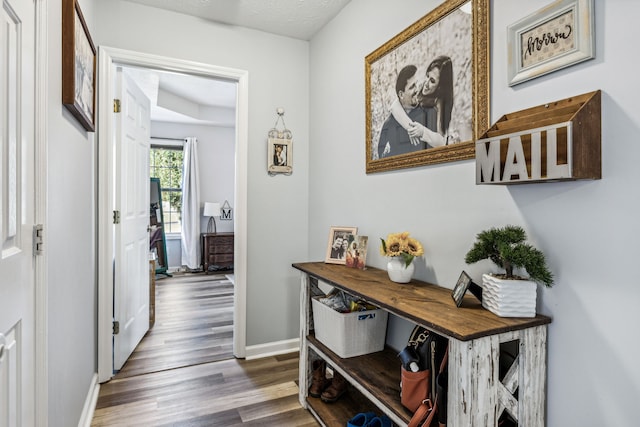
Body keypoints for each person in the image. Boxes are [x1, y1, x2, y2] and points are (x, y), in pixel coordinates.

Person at [391, 56, 455, 149]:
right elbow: (394, 106)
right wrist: (410, 128)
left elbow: (442, 141)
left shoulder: (440, 102)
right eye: (427, 76)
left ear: (440, 86)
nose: (426, 83)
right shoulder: (421, 87)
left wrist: (423, 132)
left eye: (432, 81)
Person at [377, 65, 427, 159]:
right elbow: (381, 156)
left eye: (416, 84)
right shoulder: (389, 124)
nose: (416, 89)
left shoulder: (425, 111)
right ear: (401, 94)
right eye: (412, 87)